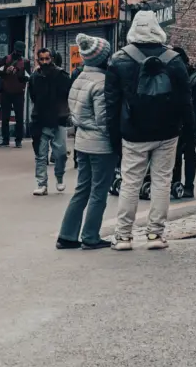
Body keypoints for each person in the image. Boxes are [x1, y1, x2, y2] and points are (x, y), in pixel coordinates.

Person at [105, 11, 194, 251]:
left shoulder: (119, 60)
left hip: (133, 133)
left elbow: (111, 105)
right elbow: (186, 102)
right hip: (167, 132)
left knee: (130, 182)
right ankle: (156, 234)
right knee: (162, 182)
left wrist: (114, 139)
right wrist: (189, 134)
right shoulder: (175, 60)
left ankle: (123, 237)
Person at [56, 34, 116, 250]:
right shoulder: (102, 82)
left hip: (82, 141)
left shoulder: (79, 78)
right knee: (99, 191)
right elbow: (104, 120)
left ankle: (67, 235)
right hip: (100, 144)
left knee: (82, 189)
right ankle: (90, 235)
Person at [29, 48, 72, 196]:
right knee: (41, 155)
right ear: (38, 60)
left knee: (60, 154)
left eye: (47, 59)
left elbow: (69, 95)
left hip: (58, 119)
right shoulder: (35, 77)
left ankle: (59, 177)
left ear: (52, 59)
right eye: (42, 59)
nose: (45, 62)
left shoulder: (62, 76)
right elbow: (33, 96)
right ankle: (42, 184)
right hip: (40, 120)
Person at [172, 47, 196, 198]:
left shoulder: (195, 78)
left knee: (185, 154)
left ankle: (186, 185)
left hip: (188, 120)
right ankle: (178, 184)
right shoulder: (176, 75)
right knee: (178, 154)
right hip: (181, 120)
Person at [0, 41, 30, 148]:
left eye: (20, 51)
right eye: (17, 51)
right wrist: (7, 70)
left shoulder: (25, 62)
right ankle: (5, 139)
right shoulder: (6, 59)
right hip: (6, 92)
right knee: (5, 117)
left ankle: (18, 140)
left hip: (19, 93)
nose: (18, 53)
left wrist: (19, 72)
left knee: (19, 118)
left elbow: (27, 77)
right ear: (14, 49)